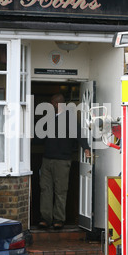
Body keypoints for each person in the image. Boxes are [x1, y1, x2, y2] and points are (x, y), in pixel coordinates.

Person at [38, 93, 91, 230]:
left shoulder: (69, 119)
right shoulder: (49, 118)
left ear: (57, 104)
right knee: (45, 189)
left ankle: (59, 219)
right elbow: (41, 135)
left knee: (60, 191)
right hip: (47, 159)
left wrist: (86, 148)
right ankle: (45, 218)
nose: (50, 106)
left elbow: (79, 134)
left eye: (52, 103)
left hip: (62, 160)